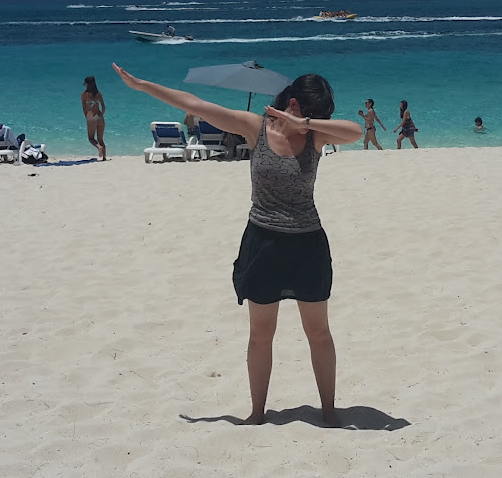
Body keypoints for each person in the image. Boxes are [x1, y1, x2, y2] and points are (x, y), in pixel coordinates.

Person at [113, 63, 363, 426]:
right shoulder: (254, 127)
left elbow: (355, 132)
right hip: (262, 243)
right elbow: (195, 104)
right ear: (293, 103)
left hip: (308, 245)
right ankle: (257, 414)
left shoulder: (315, 135)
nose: (318, 121)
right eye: (313, 113)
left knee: (319, 334)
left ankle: (328, 412)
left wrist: (305, 123)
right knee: (261, 335)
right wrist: (142, 85)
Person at [81, 76, 106, 160]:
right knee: (100, 139)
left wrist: (87, 117)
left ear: (87, 84)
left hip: (91, 117)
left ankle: (99, 147)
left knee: (91, 138)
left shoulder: (84, 94)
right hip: (100, 117)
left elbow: (84, 108)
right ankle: (104, 157)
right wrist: (101, 115)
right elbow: (103, 107)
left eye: (84, 84)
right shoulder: (98, 94)